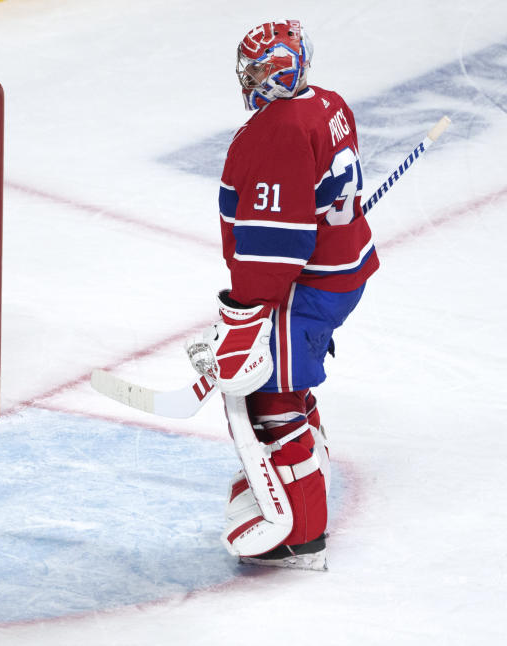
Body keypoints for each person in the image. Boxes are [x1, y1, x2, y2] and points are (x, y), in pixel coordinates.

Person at [187, 20, 377, 570]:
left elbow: (276, 246)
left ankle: (301, 534)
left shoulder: (278, 132)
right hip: (342, 271)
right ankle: (308, 458)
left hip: (304, 289)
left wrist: (245, 311)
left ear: (279, 69)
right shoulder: (328, 103)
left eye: (257, 69)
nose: (249, 79)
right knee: (289, 378)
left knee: (267, 395)